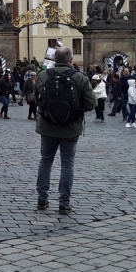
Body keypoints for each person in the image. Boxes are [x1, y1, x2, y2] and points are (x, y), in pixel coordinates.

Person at [35, 47, 96, 214]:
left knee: (45, 161)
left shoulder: (42, 75)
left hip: (47, 125)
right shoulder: (79, 77)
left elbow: (35, 98)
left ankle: (42, 198)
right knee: (67, 164)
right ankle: (64, 202)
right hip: (71, 126)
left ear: (54, 59)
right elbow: (92, 104)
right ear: (71, 60)